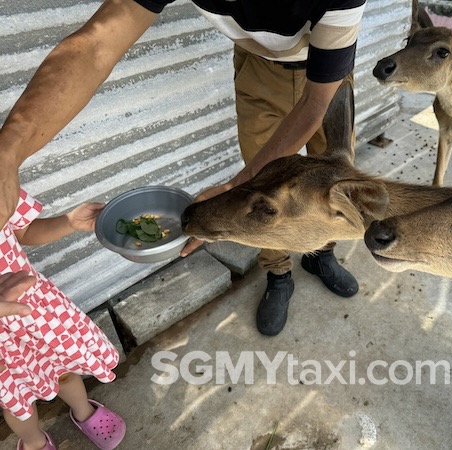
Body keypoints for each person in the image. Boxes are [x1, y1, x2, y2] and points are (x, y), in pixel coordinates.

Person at [0, 0, 366, 337]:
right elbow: (96, 45)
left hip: (327, 75)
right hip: (259, 66)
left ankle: (323, 257)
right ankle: (278, 271)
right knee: (259, 199)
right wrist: (8, 150)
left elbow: (316, 102)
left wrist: (239, 183)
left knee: (330, 188)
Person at [0, 189, 126, 450]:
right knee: (17, 399)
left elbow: (24, 230)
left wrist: (69, 222)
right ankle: (34, 441)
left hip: (33, 308)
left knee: (62, 367)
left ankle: (83, 410)